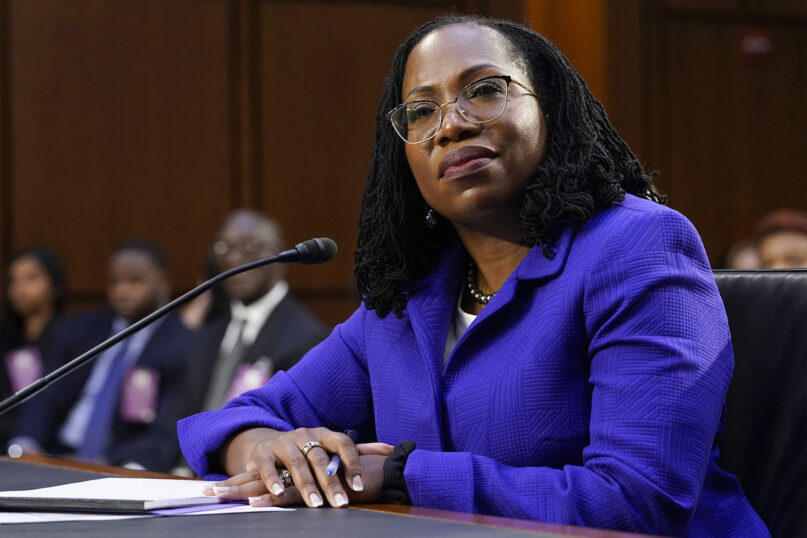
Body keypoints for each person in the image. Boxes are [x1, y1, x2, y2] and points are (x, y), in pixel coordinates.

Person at [178, 16, 768, 536]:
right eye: (422, 110)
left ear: (550, 107)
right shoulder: (410, 297)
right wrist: (268, 449)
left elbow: (639, 501)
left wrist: (403, 474)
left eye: (484, 91)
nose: (451, 125)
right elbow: (234, 419)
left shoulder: (637, 247)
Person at [8, 239, 194, 471]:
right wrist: (25, 444)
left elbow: (167, 430)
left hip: (119, 465)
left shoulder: (183, 343)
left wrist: (119, 466)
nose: (122, 291)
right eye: (115, 282)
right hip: (55, 456)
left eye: (135, 281)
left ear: (164, 283)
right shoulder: (83, 329)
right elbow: (45, 397)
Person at [182, 210, 329, 416]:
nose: (233, 259)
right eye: (223, 249)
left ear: (279, 255)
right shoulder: (209, 331)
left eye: (249, 247)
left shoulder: (307, 337)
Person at [0, 247, 66, 446]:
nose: (20, 289)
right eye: (14, 281)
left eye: (31, 278)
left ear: (54, 284)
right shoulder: (7, 341)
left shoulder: (69, 338)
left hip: (48, 443)